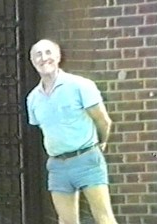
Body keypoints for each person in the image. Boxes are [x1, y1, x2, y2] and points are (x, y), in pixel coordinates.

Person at [26, 39, 117, 224]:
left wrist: (99, 145)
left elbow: (103, 121)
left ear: (58, 56)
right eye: (38, 54)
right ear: (32, 61)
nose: (44, 58)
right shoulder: (33, 98)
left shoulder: (81, 85)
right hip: (57, 165)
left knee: (104, 218)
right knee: (67, 221)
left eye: (48, 52)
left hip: (87, 159)